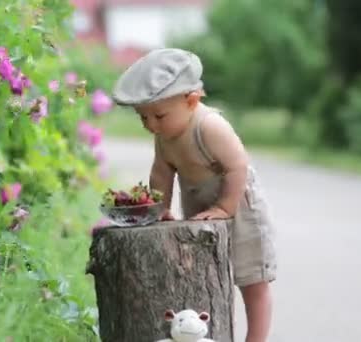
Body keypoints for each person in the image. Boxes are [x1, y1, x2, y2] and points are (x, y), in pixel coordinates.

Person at [111, 48, 277, 342]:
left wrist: (225, 207)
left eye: (158, 115)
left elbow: (237, 165)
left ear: (191, 100)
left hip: (239, 202)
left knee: (253, 280)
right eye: (143, 118)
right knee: (208, 272)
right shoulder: (164, 136)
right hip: (200, 202)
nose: (151, 125)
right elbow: (161, 173)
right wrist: (159, 208)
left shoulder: (209, 126)